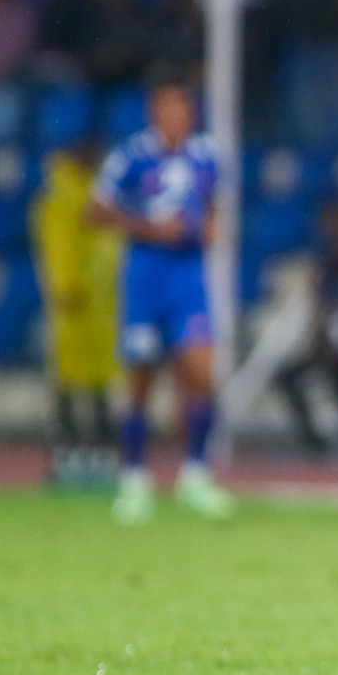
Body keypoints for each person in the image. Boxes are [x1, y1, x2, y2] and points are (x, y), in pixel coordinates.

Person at [87, 65, 230, 523]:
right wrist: (149, 228)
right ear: (154, 113)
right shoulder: (130, 156)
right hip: (145, 275)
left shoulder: (208, 155)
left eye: (182, 110)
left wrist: (208, 227)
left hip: (188, 277)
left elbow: (211, 209)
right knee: (141, 376)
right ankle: (133, 479)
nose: (175, 118)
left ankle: (195, 474)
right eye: (167, 110)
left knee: (201, 371)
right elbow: (94, 212)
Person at [30, 135, 119, 483]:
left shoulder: (96, 192)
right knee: (69, 376)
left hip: (101, 303)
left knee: (97, 377)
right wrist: (66, 287)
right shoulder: (62, 194)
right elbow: (57, 244)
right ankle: (66, 451)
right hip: (75, 302)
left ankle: (99, 452)